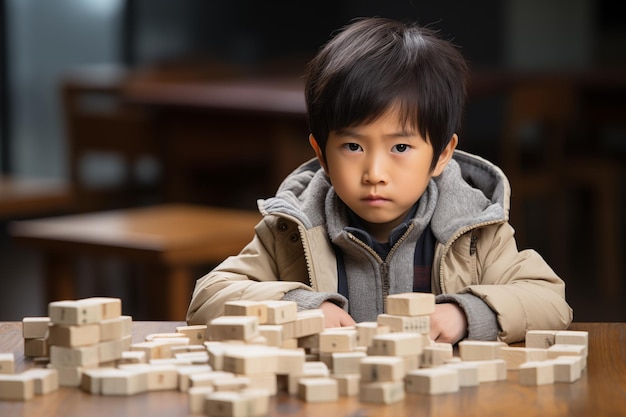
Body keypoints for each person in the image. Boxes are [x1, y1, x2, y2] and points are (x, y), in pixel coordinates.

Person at [186, 17, 573, 344]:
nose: (374, 173)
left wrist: (466, 314)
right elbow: (208, 298)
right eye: (353, 146)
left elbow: (549, 300)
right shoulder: (291, 227)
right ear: (321, 154)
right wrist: (302, 308)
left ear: (441, 155)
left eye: (400, 147)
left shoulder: (474, 229)